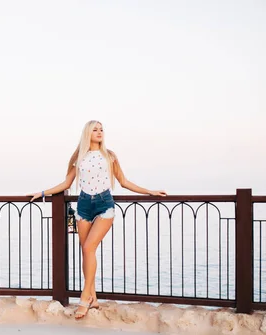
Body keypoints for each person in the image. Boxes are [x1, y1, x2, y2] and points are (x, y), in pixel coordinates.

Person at [28, 120, 166, 319]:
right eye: (95, 129)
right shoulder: (79, 157)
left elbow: (124, 181)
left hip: (104, 204)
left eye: (101, 129)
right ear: (87, 133)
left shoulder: (109, 156)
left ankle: (85, 298)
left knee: (88, 248)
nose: (100, 132)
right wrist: (41, 192)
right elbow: (66, 183)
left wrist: (150, 192)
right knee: (86, 251)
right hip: (83, 205)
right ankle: (93, 297)